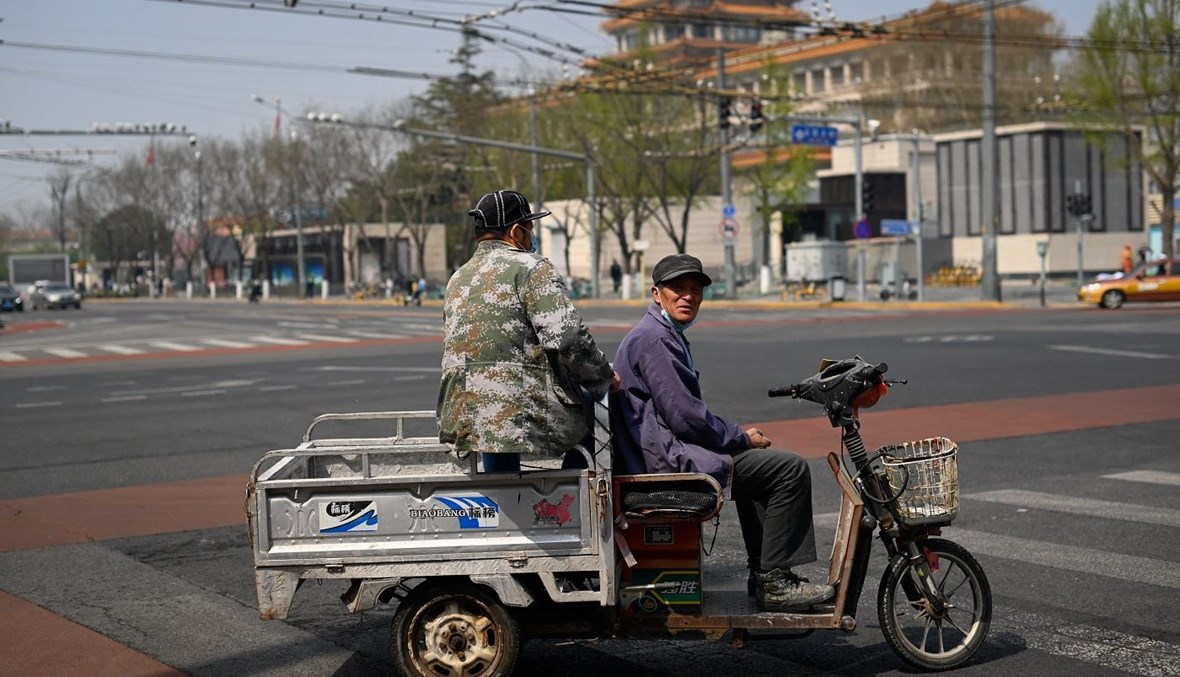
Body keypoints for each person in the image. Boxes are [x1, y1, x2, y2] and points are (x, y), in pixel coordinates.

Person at [611, 253, 834, 613]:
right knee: (787, 470)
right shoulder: (656, 339)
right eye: (677, 289)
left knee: (760, 467)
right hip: (662, 462)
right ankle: (773, 580)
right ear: (656, 293)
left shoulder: (661, 333)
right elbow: (687, 418)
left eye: (695, 290)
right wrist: (740, 437)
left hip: (661, 451)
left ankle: (762, 573)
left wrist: (737, 439)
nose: (688, 296)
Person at [438, 189, 617, 473]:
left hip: (463, 417)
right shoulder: (532, 267)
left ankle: (505, 488)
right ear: (516, 231)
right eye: (530, 229)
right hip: (516, 414)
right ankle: (569, 496)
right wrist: (602, 378)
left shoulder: (457, 277)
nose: (531, 237)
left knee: (497, 420)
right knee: (604, 415)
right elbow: (568, 338)